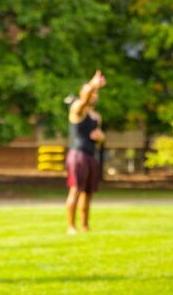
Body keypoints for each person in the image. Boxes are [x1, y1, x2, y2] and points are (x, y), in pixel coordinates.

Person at [65, 70, 106, 235]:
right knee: (75, 190)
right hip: (78, 155)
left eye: (96, 92)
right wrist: (93, 84)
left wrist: (101, 138)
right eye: (92, 92)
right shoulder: (77, 109)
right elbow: (84, 98)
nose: (94, 94)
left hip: (91, 155)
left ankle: (85, 225)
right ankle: (71, 226)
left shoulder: (97, 116)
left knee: (88, 193)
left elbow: (100, 137)